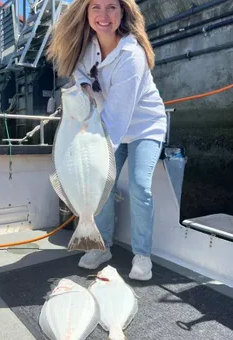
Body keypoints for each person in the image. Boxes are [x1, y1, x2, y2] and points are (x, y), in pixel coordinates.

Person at [46, 0, 167, 281]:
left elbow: (117, 119)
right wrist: (86, 86)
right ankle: (102, 246)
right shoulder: (88, 49)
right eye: (95, 7)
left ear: (123, 12)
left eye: (111, 7)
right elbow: (77, 73)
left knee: (139, 185)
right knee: (102, 185)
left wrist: (88, 157)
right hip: (105, 127)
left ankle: (143, 255)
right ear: (86, 13)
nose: (103, 15)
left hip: (143, 128)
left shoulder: (131, 55)